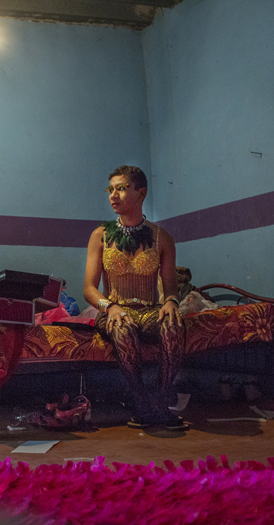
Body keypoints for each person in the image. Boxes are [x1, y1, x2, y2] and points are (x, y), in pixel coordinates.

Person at [83, 165, 188, 430]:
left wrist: (171, 302)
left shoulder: (162, 237)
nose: (113, 195)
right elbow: (89, 289)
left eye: (121, 188)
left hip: (149, 310)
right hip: (113, 311)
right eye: (110, 189)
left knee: (174, 324)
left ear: (142, 193)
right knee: (123, 327)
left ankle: (160, 398)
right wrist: (110, 307)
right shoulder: (100, 235)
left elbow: (171, 287)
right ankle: (140, 400)